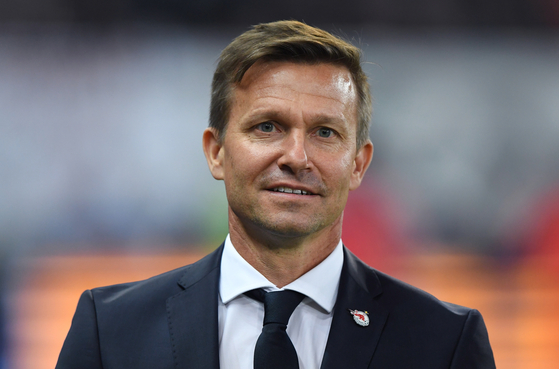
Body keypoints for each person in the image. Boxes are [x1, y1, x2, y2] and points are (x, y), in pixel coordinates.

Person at [56, 20, 496, 369]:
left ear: (358, 164)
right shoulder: (110, 330)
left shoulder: (444, 342)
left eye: (325, 132)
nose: (297, 156)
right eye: (268, 127)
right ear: (216, 152)